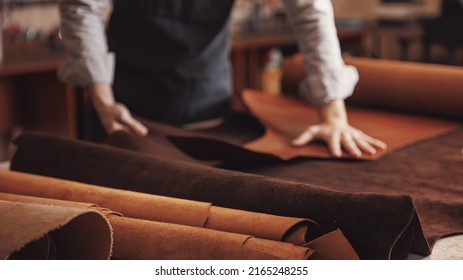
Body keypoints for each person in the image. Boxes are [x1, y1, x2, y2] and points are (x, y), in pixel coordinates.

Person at [58, 0, 386, 158]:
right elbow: (82, 7)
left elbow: (309, 10)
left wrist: (333, 114)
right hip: (120, 104)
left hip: (206, 101)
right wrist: (103, 100)